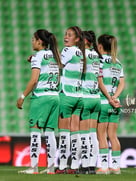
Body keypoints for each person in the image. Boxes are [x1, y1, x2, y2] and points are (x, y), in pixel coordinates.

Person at [16, 29, 62, 174]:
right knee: (49, 132)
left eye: (33, 39)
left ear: (39, 41)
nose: (32, 41)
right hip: (55, 96)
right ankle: (50, 168)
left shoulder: (38, 56)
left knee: (35, 130)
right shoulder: (56, 56)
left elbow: (34, 80)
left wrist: (22, 96)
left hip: (41, 97)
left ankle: (33, 167)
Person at [56, 26, 86, 174]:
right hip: (78, 96)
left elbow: (58, 64)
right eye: (65, 34)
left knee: (64, 132)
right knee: (75, 132)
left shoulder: (67, 50)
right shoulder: (80, 52)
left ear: (77, 39)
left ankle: (62, 166)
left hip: (66, 95)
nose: (65, 37)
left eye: (69, 35)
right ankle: (74, 165)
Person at [96, 34, 125, 175]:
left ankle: (103, 166)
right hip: (116, 104)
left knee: (101, 135)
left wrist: (108, 98)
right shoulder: (118, 62)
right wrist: (115, 97)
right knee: (113, 136)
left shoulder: (100, 61)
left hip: (103, 102)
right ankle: (116, 166)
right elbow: (122, 83)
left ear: (100, 46)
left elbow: (100, 81)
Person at [79, 30, 101, 174]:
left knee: (83, 133)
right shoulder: (96, 56)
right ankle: (92, 165)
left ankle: (85, 164)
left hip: (85, 97)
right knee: (93, 134)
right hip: (96, 98)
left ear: (86, 41)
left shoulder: (82, 55)